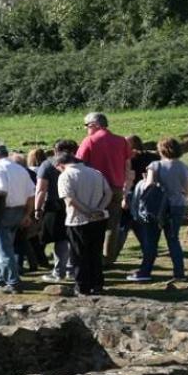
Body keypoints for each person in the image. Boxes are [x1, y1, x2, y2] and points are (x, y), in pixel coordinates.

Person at [128, 138, 188, 282]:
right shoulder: (184, 167)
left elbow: (149, 186)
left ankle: (145, 271)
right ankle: (179, 273)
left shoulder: (155, 165)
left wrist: (144, 181)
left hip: (157, 206)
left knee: (151, 240)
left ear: (161, 150)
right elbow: (186, 190)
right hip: (178, 205)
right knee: (173, 239)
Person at [75, 112, 133, 265]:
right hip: (117, 187)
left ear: (94, 125)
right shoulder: (122, 141)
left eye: (86, 126)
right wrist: (126, 186)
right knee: (112, 224)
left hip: (96, 189)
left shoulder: (89, 141)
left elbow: (77, 165)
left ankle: (94, 256)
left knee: (94, 223)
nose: (86, 129)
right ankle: (108, 258)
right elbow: (127, 166)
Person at [0, 140, 35, 294]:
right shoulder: (20, 169)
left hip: (3, 211)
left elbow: (1, 190)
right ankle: (0, 278)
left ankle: (13, 282)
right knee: (8, 245)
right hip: (19, 210)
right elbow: (31, 194)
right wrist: (27, 214)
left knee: (3, 249)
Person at [57, 155, 111, 296]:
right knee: (95, 252)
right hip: (99, 219)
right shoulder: (96, 172)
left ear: (60, 165)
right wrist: (99, 209)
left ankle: (82, 287)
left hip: (77, 220)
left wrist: (87, 212)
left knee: (79, 255)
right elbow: (108, 193)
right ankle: (97, 284)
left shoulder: (65, 176)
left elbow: (69, 199)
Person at [34, 140, 77, 283]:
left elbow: (41, 189)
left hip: (55, 205)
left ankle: (59, 271)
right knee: (73, 238)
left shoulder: (47, 165)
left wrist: (37, 208)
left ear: (55, 150)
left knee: (60, 240)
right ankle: (72, 270)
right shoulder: (81, 163)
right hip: (77, 204)